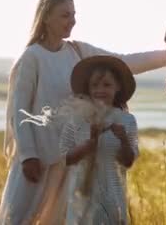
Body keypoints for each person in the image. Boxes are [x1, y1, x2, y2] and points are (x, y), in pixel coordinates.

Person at [0, 0, 166, 225]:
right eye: (65, 15)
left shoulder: (77, 51)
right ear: (46, 17)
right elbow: (20, 111)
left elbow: (123, 62)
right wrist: (28, 156)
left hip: (70, 157)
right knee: (15, 219)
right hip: (37, 156)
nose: (73, 21)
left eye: (74, 15)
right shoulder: (32, 57)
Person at [59, 55, 139, 224]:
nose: (100, 90)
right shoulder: (77, 118)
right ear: (88, 88)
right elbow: (65, 158)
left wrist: (123, 140)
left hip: (113, 196)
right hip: (81, 195)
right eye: (94, 85)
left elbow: (128, 162)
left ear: (118, 87)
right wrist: (89, 145)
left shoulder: (127, 120)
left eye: (107, 85)